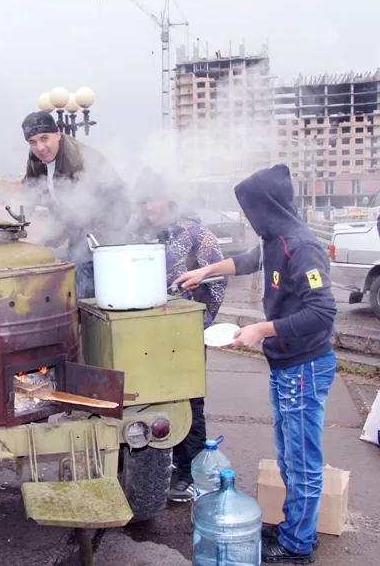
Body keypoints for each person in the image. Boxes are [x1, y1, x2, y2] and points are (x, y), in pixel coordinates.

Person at [174, 164, 337, 564]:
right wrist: (206, 271)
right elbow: (249, 260)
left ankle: (298, 545)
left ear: (268, 207)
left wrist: (260, 330)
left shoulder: (302, 247)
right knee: (288, 453)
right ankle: (294, 526)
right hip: (286, 366)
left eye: (248, 210)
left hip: (305, 367)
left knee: (301, 460)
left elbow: (323, 313)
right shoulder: (274, 240)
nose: (245, 218)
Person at [131, 169, 228, 503]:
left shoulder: (196, 233)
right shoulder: (136, 233)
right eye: (142, 201)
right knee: (150, 399)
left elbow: (217, 282)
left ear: (169, 198)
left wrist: (199, 323)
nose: (148, 207)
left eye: (153, 199)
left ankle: (192, 472)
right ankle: (164, 462)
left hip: (185, 333)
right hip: (145, 336)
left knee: (189, 401)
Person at [20, 111, 130, 299]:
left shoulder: (78, 160)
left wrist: (47, 241)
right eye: (32, 141)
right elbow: (29, 191)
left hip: (102, 232)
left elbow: (78, 212)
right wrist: (17, 224)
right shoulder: (35, 159)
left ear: (57, 134)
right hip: (78, 228)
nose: (40, 147)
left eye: (44, 138)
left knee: (81, 282)